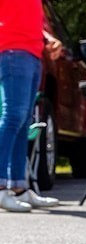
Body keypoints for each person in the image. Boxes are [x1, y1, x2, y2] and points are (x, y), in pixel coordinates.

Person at [0, 0, 61, 212]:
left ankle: (19, 188)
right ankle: (1, 188)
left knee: (24, 122)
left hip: (32, 54)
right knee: (13, 117)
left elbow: (32, 21)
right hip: (12, 50)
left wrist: (48, 38)